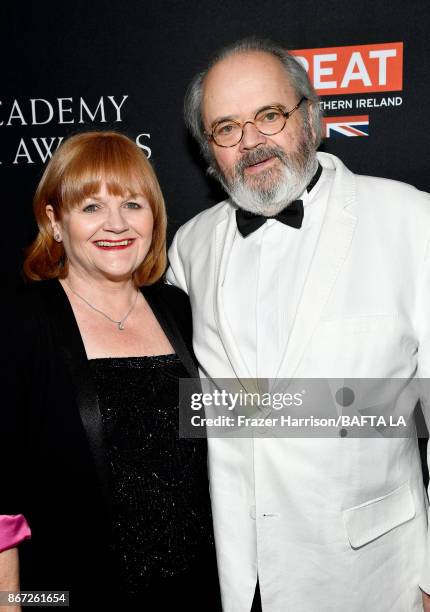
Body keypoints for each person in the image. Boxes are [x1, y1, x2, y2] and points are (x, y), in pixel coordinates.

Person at [166, 37, 430, 611]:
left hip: (376, 573)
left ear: (312, 117)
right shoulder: (190, 247)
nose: (252, 141)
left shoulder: (411, 220)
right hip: (241, 577)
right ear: (210, 152)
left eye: (269, 115)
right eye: (226, 128)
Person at [0, 131, 220, 610]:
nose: (116, 224)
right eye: (91, 207)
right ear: (55, 222)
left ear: (154, 217)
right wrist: (9, 601)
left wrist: (377, 408)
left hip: (196, 591)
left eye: (132, 204)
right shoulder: (21, 322)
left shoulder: (179, 309)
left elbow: (228, 418)